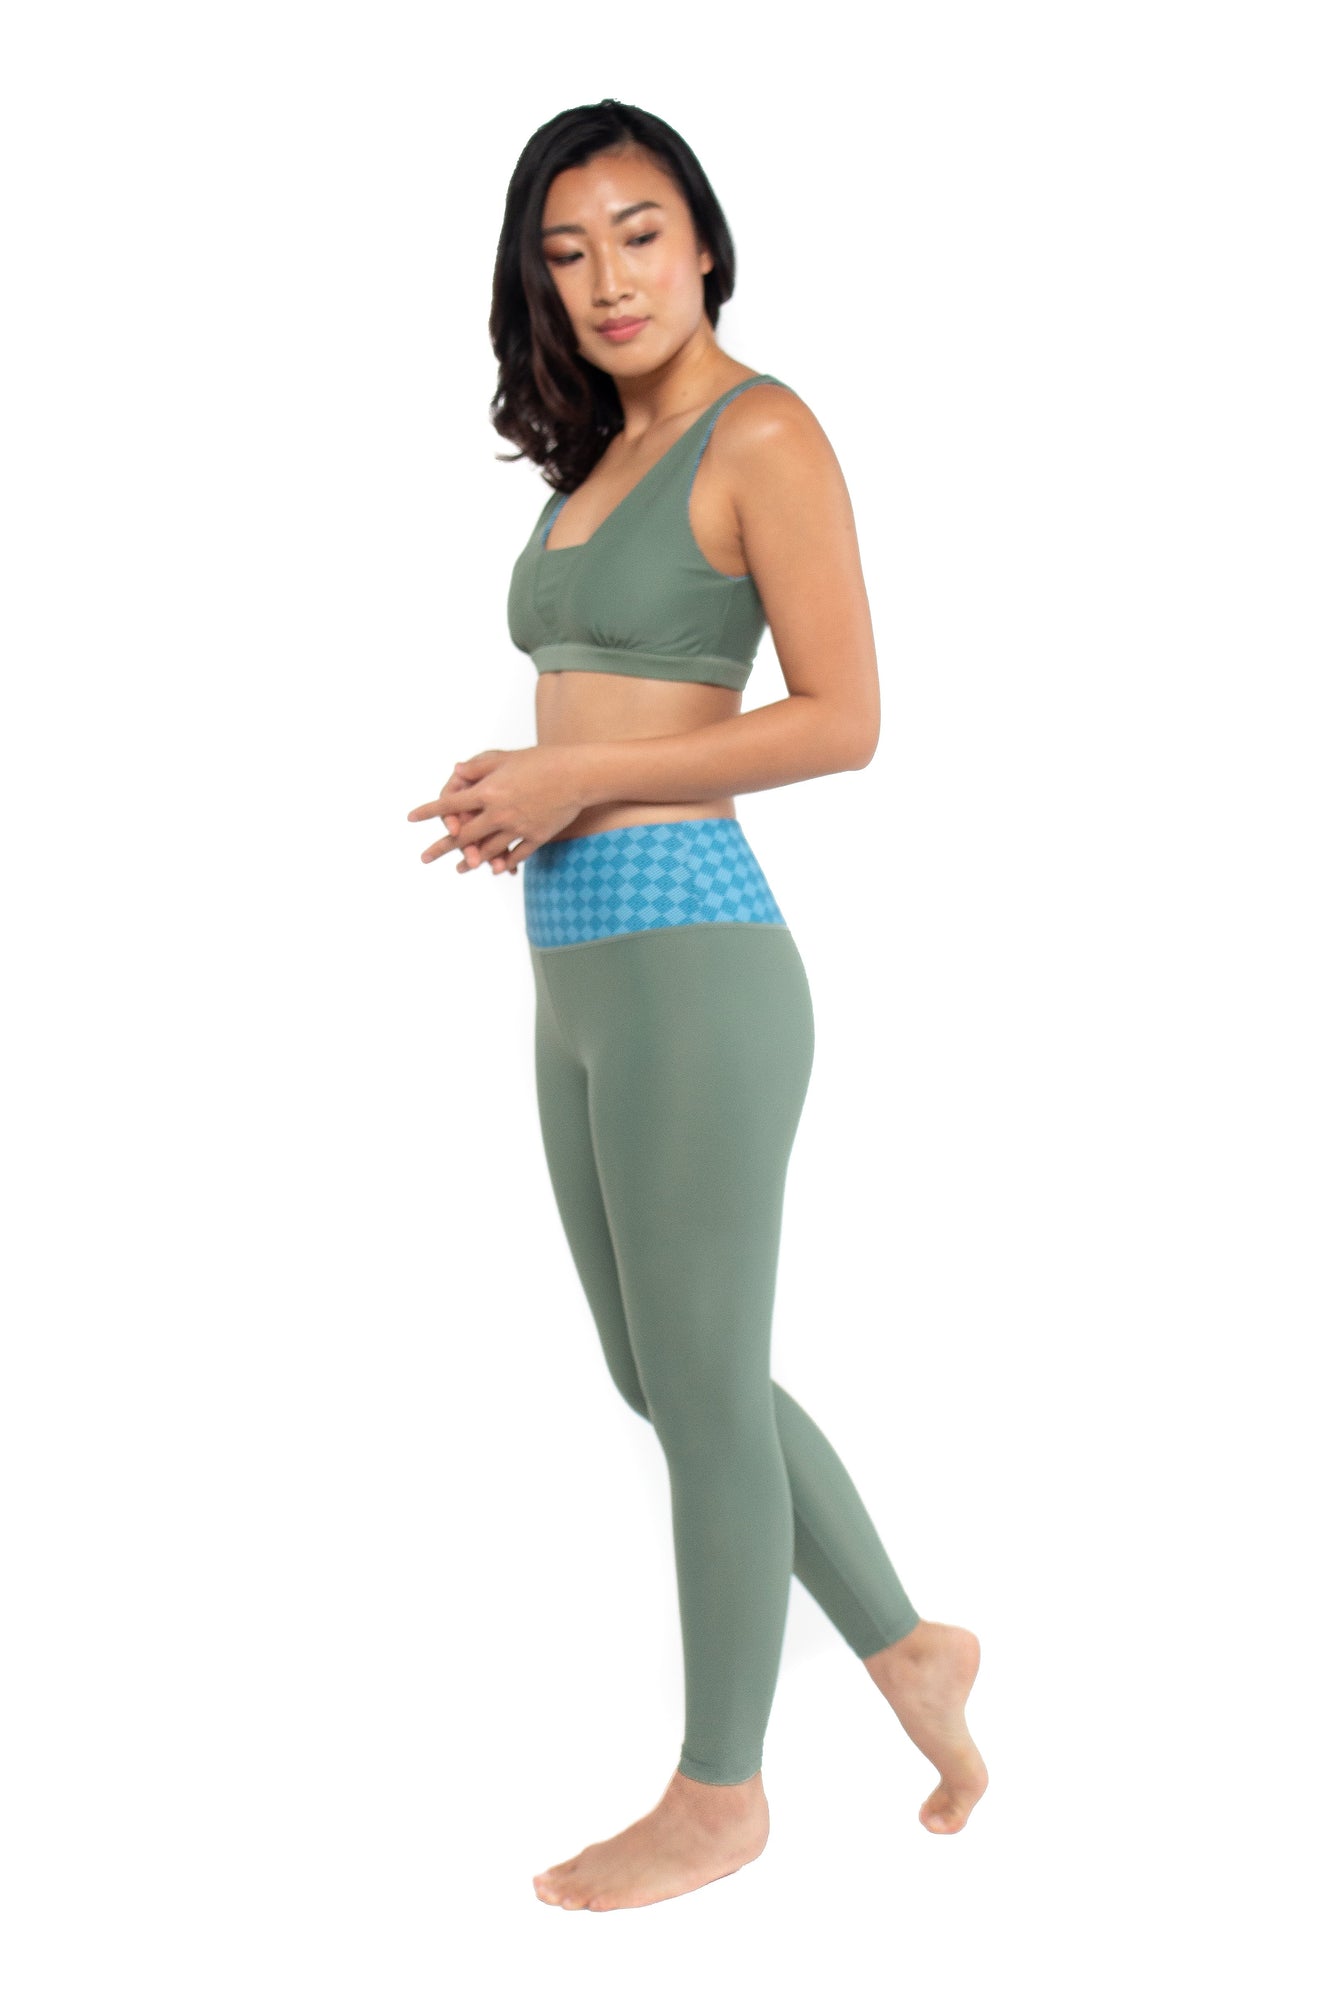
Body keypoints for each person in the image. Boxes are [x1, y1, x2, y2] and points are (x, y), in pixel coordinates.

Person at [407, 97, 987, 1913]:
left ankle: (718, 1794)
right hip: (576, 964)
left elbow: (844, 719)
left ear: (706, 241)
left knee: (703, 1384)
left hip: (694, 963)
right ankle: (910, 1650)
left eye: (640, 233)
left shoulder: (765, 432)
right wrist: (524, 787)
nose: (609, 278)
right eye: (568, 251)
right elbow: (601, 703)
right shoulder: (602, 455)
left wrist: (578, 779)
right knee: (658, 1373)